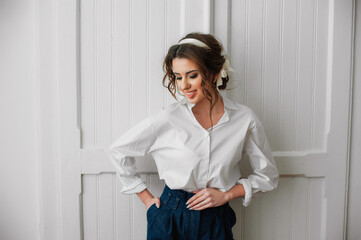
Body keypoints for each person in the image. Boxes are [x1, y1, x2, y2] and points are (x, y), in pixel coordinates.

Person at [107, 32, 279, 240]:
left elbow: (268, 175)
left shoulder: (244, 120)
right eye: (178, 77)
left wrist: (227, 194)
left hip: (215, 220)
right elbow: (118, 151)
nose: (183, 85)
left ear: (215, 73)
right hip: (169, 217)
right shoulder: (168, 118)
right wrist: (146, 199)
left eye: (192, 75)